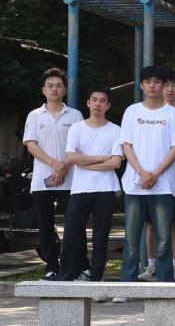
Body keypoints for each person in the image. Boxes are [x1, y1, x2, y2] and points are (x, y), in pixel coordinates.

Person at [116, 66, 175, 301]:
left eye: (157, 81)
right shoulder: (132, 111)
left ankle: (165, 288)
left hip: (163, 185)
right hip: (134, 184)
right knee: (131, 238)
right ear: (141, 85)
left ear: (163, 85)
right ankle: (126, 287)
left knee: (164, 238)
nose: (153, 85)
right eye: (148, 81)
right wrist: (141, 173)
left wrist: (154, 173)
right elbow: (126, 145)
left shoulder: (172, 114)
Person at [23, 68, 84, 281]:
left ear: (65, 89)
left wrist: (63, 167)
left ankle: (79, 267)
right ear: (43, 90)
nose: (54, 89)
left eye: (58, 85)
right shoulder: (34, 115)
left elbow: (78, 146)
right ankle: (51, 267)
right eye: (50, 86)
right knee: (45, 225)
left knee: (75, 224)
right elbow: (31, 145)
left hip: (71, 180)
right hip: (42, 181)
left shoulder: (75, 115)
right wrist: (54, 164)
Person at [59, 86, 122, 283]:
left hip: (105, 189)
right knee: (71, 236)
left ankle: (96, 280)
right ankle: (65, 279)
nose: (97, 104)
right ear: (88, 103)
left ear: (108, 105)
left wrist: (84, 162)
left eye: (102, 101)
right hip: (80, 189)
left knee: (100, 238)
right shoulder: (76, 128)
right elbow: (70, 157)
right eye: (94, 100)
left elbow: (116, 162)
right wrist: (101, 158)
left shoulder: (115, 130)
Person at [142, 69, 175, 282]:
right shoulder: (148, 112)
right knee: (151, 223)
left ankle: (174, 268)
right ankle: (151, 267)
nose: (170, 89)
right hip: (151, 177)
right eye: (166, 85)